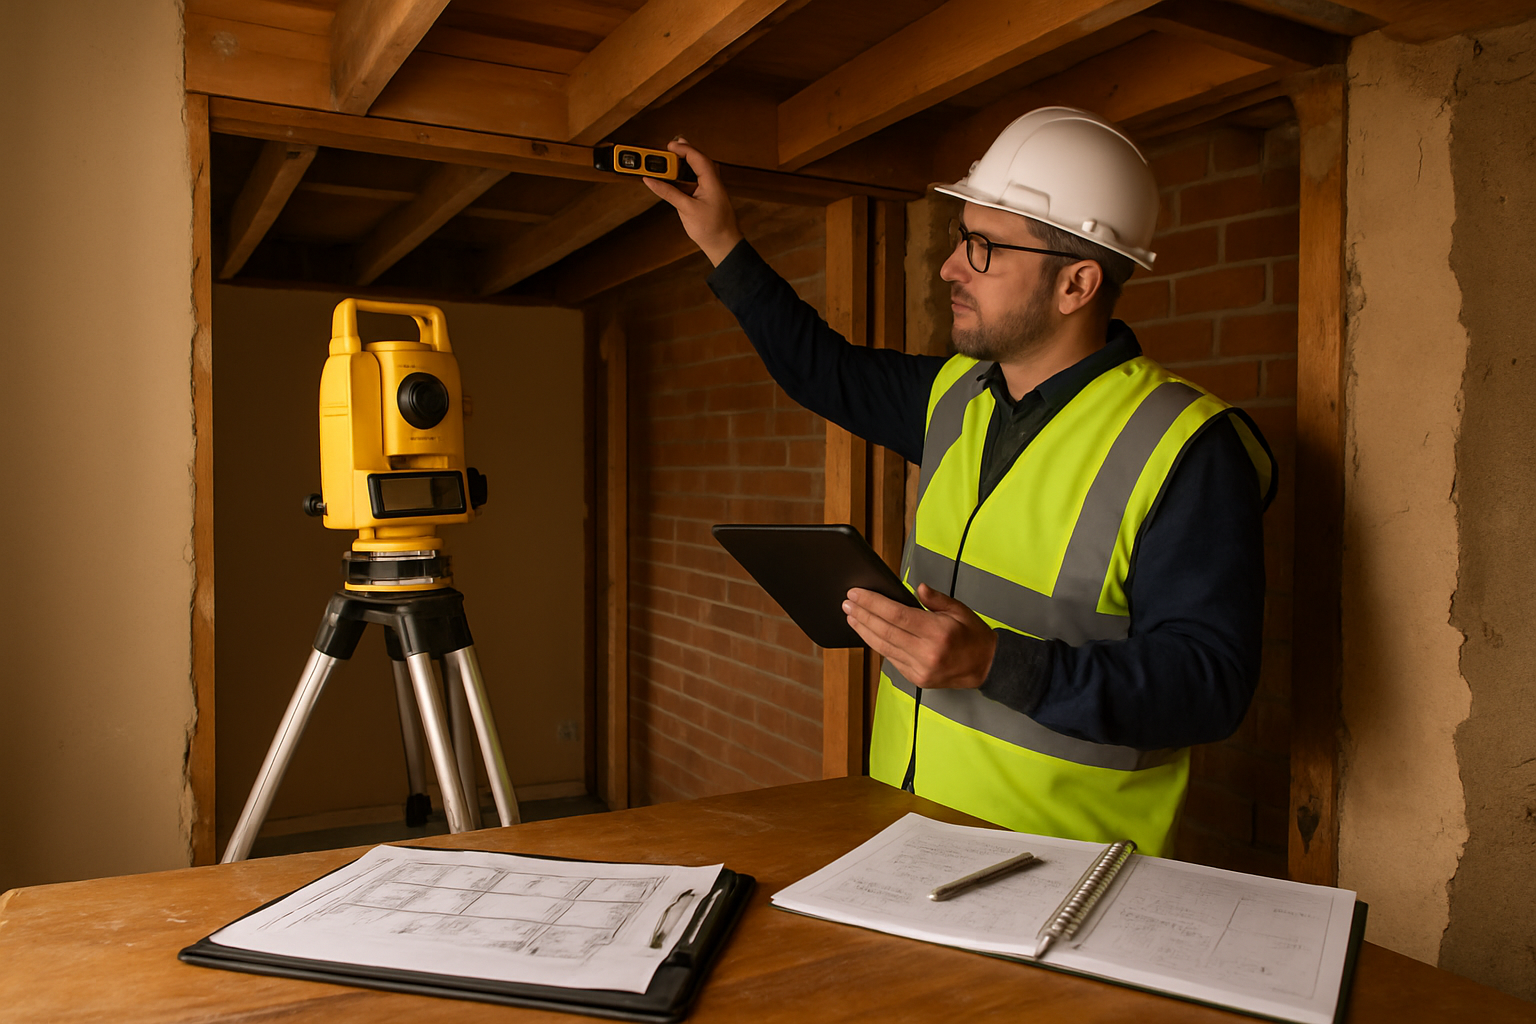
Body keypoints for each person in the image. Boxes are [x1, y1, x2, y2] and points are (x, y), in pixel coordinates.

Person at [645, 107, 1276, 857]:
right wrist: (722, 240)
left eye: (982, 248)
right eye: (959, 239)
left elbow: (1209, 685)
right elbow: (823, 369)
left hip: (1061, 871)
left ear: (1076, 283)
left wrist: (994, 664)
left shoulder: (1185, 447)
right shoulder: (955, 396)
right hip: (906, 831)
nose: (951, 267)